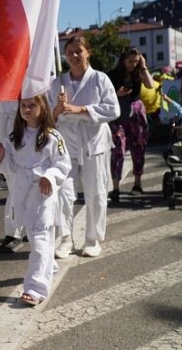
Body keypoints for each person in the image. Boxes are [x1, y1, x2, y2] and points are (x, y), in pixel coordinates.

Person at [0, 95, 71, 306]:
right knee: (35, 233)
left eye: (32, 105)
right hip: (21, 191)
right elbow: (11, 168)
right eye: (23, 106)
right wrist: (0, 156)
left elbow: (63, 164)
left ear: (43, 107)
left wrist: (50, 176)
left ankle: (35, 288)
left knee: (40, 236)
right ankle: (48, 264)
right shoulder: (15, 137)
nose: (26, 109)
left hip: (41, 191)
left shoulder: (52, 137)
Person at [50, 37, 120, 259]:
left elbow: (113, 110)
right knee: (62, 192)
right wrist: (58, 110)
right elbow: (48, 117)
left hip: (94, 143)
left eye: (78, 51)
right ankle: (65, 238)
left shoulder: (100, 79)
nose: (73, 56)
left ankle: (92, 239)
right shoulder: (56, 83)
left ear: (88, 52)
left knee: (96, 192)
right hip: (66, 144)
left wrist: (80, 110)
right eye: (69, 52)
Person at [106, 47, 155, 200]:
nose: (133, 65)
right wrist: (116, 93)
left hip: (136, 111)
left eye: (136, 61)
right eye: (130, 61)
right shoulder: (112, 75)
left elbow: (151, 85)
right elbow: (102, 94)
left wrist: (144, 66)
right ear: (122, 60)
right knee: (118, 150)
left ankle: (138, 184)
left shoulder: (139, 72)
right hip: (118, 113)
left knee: (138, 146)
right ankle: (115, 188)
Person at [0, 100, 25, 252]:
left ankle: (28, 227)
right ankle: (12, 233)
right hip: (4, 138)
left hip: (25, 134)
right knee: (14, 188)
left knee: (28, 189)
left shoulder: (27, 85)